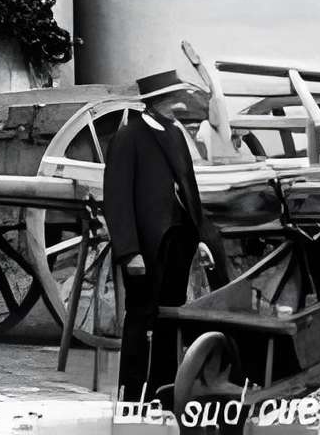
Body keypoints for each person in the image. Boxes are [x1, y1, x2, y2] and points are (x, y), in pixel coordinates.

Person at [105, 82, 214, 411]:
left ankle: (163, 394)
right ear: (156, 102)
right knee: (140, 317)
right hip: (146, 247)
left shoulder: (176, 134)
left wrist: (202, 239)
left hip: (178, 240)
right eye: (173, 99)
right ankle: (132, 397)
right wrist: (128, 251)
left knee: (170, 317)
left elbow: (189, 190)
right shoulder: (128, 137)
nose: (179, 104)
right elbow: (117, 199)